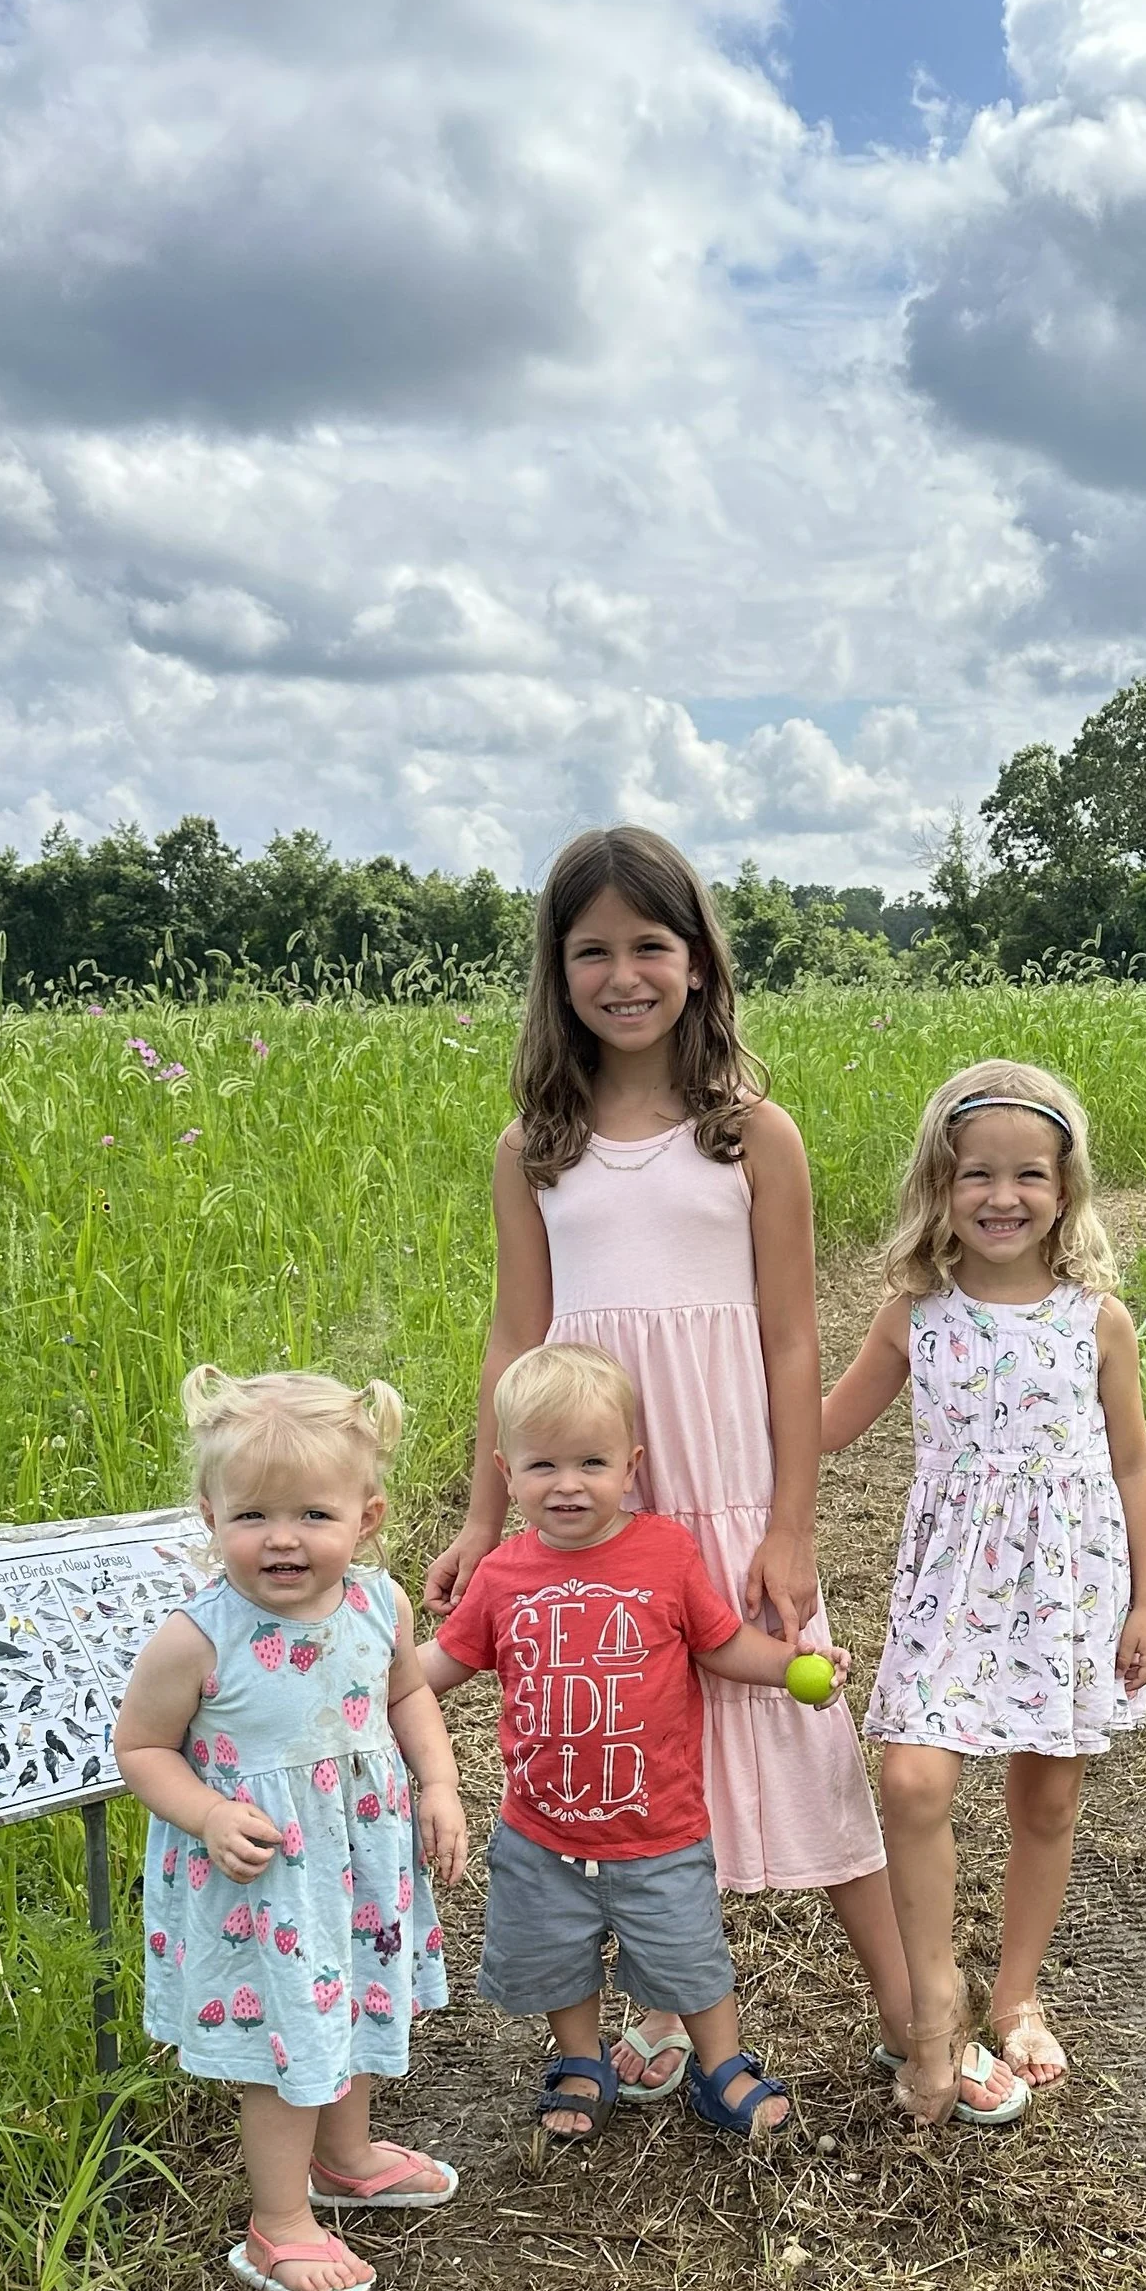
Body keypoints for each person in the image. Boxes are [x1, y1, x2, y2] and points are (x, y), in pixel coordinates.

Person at [420, 825, 913, 2103]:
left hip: (729, 1484)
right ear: (557, 971)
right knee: (608, 1750)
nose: (623, 973)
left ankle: (913, 2012)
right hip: (592, 1492)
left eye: (651, 944)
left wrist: (792, 1523)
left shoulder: (751, 1134)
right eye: (592, 950)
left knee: (799, 1742)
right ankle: (634, 2021)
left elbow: (793, 1333)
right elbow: (515, 1335)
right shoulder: (537, 1146)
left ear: (697, 963)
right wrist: (486, 1520)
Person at [821, 1061, 1146, 2129]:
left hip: (1066, 1592)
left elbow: (1134, 1467)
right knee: (917, 1781)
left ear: (1065, 1192)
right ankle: (936, 2001)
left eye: (1029, 1174)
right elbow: (822, 1431)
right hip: (950, 1589)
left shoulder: (1094, 1319)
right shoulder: (914, 1315)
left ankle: (1014, 1994)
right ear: (941, 1183)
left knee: (1045, 1799)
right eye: (977, 1174)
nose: (1002, 1196)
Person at [415, 1341, 847, 2147]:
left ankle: (720, 2067)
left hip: (659, 1828)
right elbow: (439, 1665)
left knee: (691, 1954)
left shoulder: (664, 1553)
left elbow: (719, 1643)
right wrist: (355, 1684)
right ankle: (581, 2060)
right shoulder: (502, 1576)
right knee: (555, 1957)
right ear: (508, 1473)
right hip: (542, 1831)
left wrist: (792, 1665)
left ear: (631, 1464)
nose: (569, 1483)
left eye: (592, 1461)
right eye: (544, 1465)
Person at [113, 1367, 468, 2291]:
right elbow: (141, 1746)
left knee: (344, 2002)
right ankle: (277, 2222)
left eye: (313, 1513)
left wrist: (438, 1781)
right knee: (287, 2038)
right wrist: (206, 1813)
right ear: (209, 1513)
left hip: (354, 1862)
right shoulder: (199, 1637)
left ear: (368, 1514)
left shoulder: (377, 1604)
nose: (281, 1538)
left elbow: (404, 1694)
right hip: (264, 1876)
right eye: (252, 1515)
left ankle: (344, 2157)